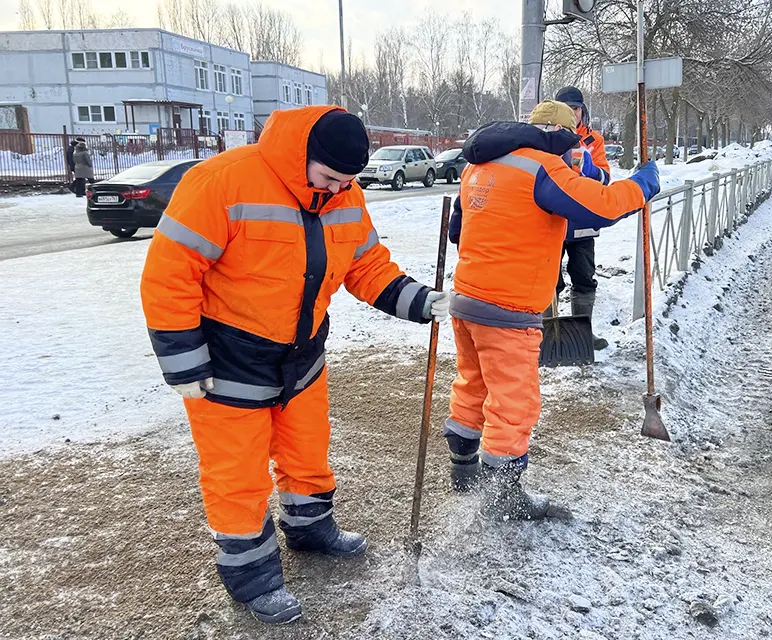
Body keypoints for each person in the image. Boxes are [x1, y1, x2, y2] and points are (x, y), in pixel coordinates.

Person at [140, 105, 450, 625]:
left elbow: (365, 264)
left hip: (302, 354)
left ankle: (310, 528)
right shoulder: (222, 183)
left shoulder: (345, 194)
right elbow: (168, 275)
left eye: (348, 181)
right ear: (302, 155)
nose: (337, 190)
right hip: (228, 358)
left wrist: (418, 300)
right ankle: (252, 577)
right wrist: (185, 364)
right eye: (329, 177)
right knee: (237, 474)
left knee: (307, 451)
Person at [442, 100, 660, 520]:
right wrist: (644, 183)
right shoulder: (542, 167)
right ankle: (502, 497)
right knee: (514, 400)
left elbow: (457, 231)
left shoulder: (479, 166)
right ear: (562, 140)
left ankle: (463, 470)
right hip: (509, 311)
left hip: (466, 300)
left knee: (472, 384)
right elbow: (602, 205)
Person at [553, 86, 612, 350]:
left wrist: (588, 167)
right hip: (551, 220)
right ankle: (547, 337)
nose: (572, 113)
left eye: (575, 108)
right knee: (548, 280)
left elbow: (606, 178)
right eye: (566, 109)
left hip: (583, 221)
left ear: (582, 110)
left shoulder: (593, 141)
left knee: (584, 277)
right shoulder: (544, 138)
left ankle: (581, 336)